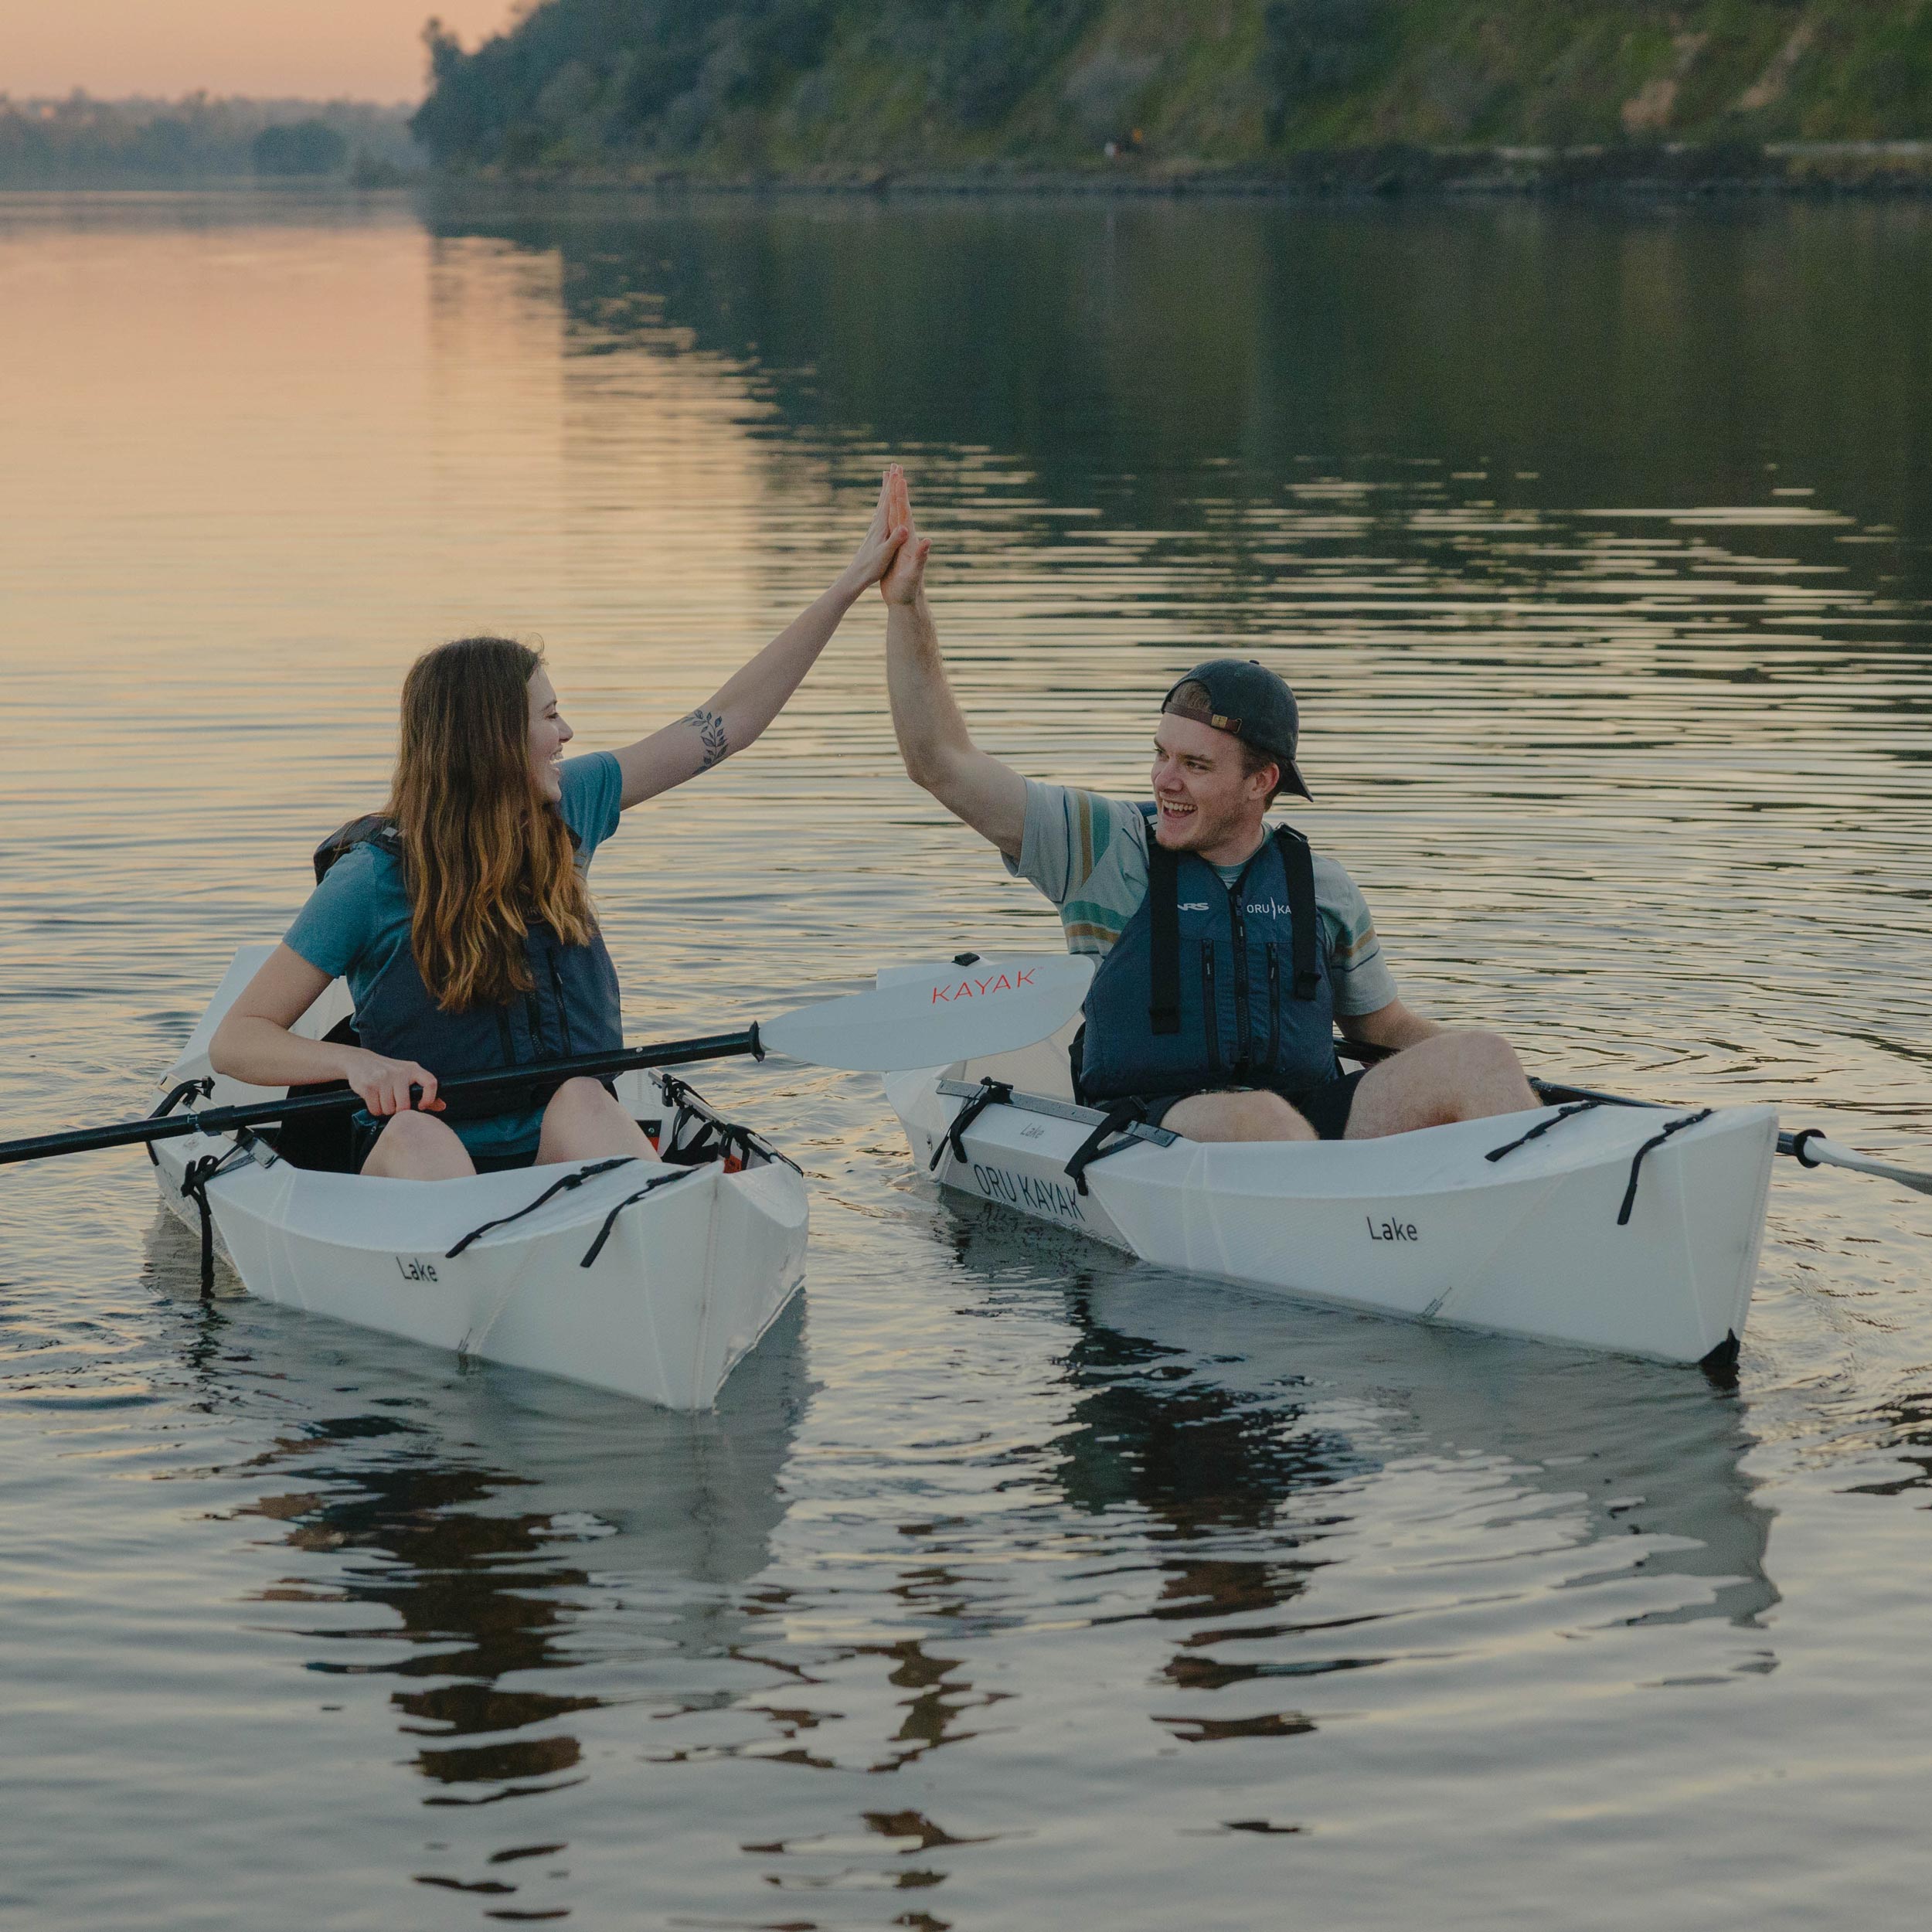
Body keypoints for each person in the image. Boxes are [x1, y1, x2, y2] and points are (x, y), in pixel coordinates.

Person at [209, 471, 912, 1179]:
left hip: (561, 1150)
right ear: (492, 742)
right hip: (422, 1161)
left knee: (582, 1095)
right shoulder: (369, 880)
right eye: (548, 718)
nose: (567, 733)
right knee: (422, 1139)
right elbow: (237, 1040)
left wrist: (849, 586)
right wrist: (354, 1063)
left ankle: (643, 1214)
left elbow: (731, 721)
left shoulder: (571, 805)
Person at [876, 471, 1536, 1143]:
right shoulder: (1100, 846)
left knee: (1482, 1057)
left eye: (1194, 765)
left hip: (1310, 1128)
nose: (1165, 781)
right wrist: (907, 607)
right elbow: (940, 762)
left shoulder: (1323, 887)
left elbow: (1383, 1030)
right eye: (1162, 753)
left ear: (1261, 782)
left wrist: (1515, 1088)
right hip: (1152, 1130)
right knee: (1259, 1118)